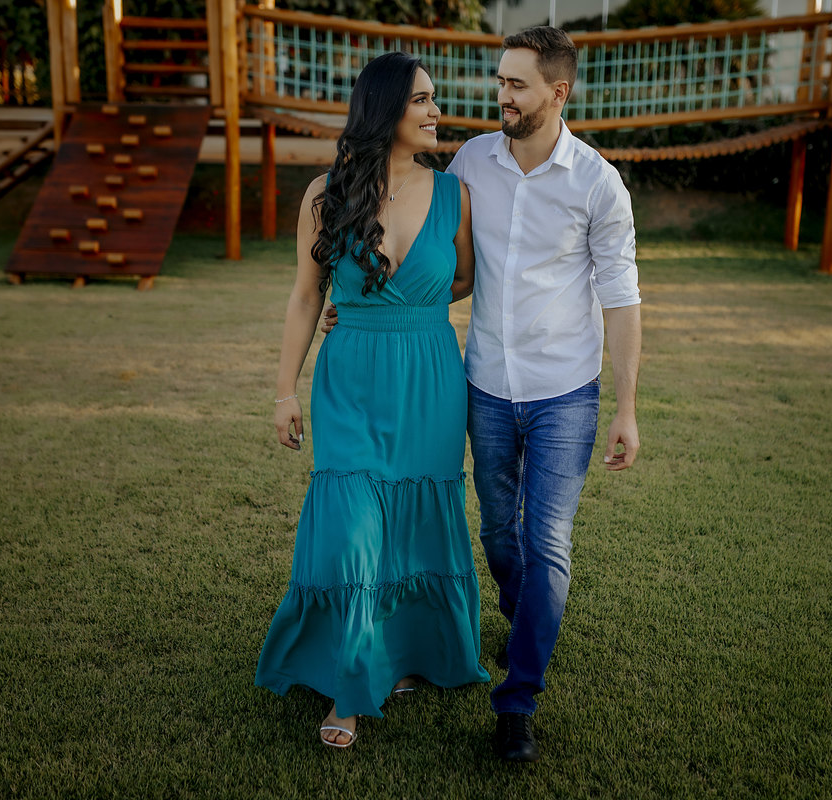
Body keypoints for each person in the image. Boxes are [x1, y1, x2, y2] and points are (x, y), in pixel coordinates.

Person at [254, 51, 488, 749]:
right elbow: (305, 295)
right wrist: (283, 390)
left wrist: (397, 306)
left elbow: (462, 279)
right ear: (384, 110)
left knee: (418, 522)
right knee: (355, 528)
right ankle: (349, 688)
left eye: (434, 99)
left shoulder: (456, 195)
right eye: (420, 99)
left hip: (430, 379)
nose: (434, 110)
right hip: (350, 380)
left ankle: (408, 656)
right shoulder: (326, 195)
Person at [448, 26, 643, 763]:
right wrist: (362, 299)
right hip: (487, 385)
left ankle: (517, 700)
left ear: (559, 93)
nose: (502, 95)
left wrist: (625, 407)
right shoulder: (471, 161)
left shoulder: (597, 182)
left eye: (517, 84)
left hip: (565, 392)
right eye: (500, 81)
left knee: (546, 541)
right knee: (500, 536)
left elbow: (621, 300)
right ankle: (523, 608)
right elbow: (443, 259)